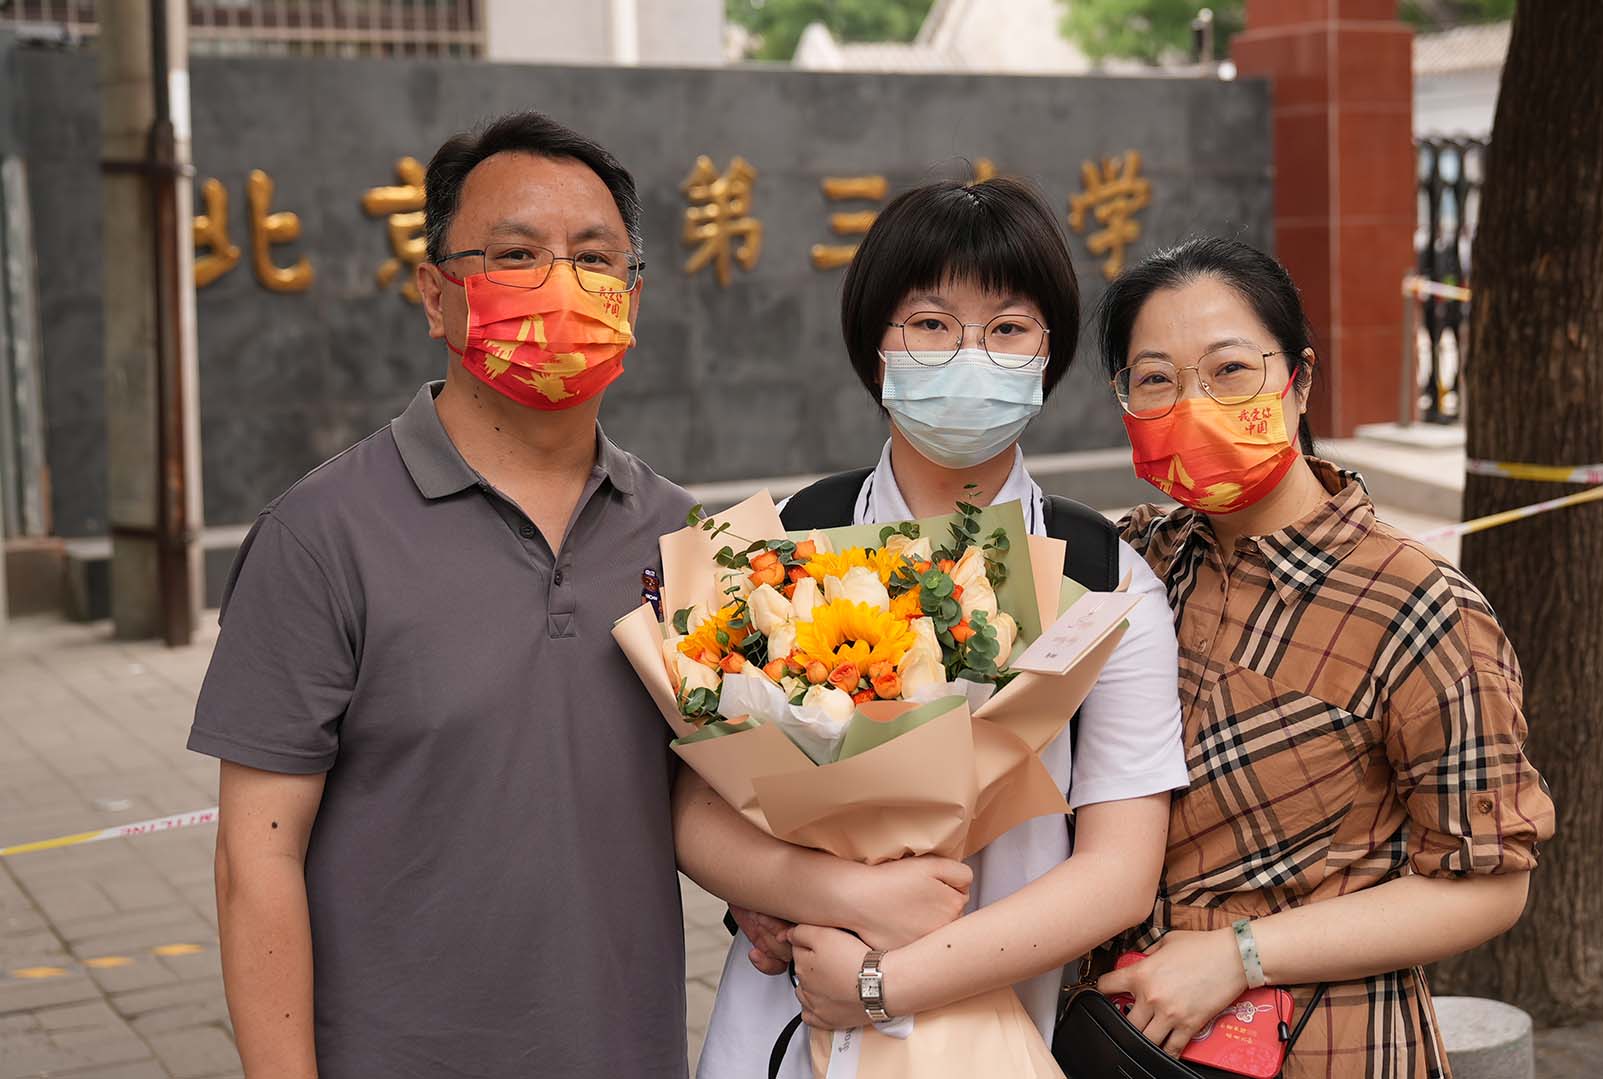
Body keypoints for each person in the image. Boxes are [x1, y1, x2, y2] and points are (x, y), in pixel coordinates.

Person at [191, 112, 696, 1078]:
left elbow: (699, 801)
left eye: (594, 259)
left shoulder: (680, 536)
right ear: (436, 294)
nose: (561, 284)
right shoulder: (321, 536)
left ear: (632, 297)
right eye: (516, 255)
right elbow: (254, 860)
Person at [675, 176, 1189, 1077]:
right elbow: (697, 808)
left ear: (1048, 354)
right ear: (876, 347)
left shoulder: (1104, 580)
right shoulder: (784, 544)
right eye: (930, 324)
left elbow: (1118, 873)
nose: (969, 355)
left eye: (1008, 329)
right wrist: (838, 892)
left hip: (994, 1033)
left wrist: (884, 981)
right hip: (783, 1024)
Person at [1091, 238, 1555, 1078]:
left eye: (1230, 370)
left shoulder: (1417, 605)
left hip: (1329, 1045)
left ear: (1299, 381)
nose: (1194, 404)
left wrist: (1240, 953)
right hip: (1124, 1043)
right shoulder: (1133, 562)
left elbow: (1491, 883)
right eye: (1156, 379)